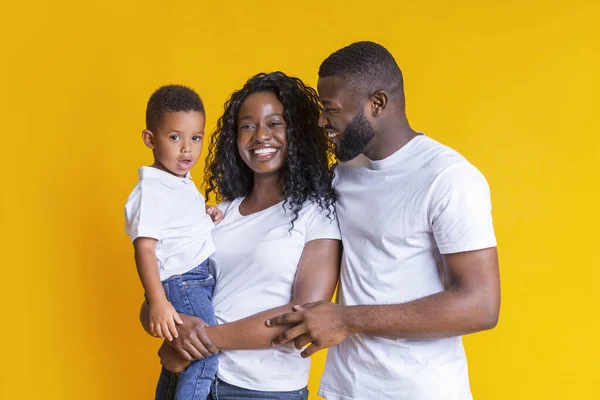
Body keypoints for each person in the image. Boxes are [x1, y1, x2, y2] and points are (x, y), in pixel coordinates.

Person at [267, 41, 501, 400]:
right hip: (345, 389)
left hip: (421, 391)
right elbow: (282, 215)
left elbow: (481, 305)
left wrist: (347, 319)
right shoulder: (345, 172)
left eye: (331, 109)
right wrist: (212, 216)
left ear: (376, 103)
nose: (322, 121)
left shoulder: (448, 177)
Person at [141, 72, 342, 400]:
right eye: (248, 125)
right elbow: (158, 296)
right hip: (192, 381)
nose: (261, 136)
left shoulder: (316, 215)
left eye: (275, 123)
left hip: (261, 391)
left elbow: (304, 317)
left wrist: (201, 341)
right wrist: (176, 334)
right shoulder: (217, 214)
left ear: (298, 132)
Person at [124, 85, 222, 400]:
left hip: (193, 280)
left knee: (183, 356)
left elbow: (177, 228)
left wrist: (205, 215)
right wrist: (158, 302)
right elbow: (146, 247)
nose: (187, 150)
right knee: (206, 352)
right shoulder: (153, 190)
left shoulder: (178, 182)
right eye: (175, 138)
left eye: (196, 138)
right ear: (150, 139)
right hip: (183, 283)